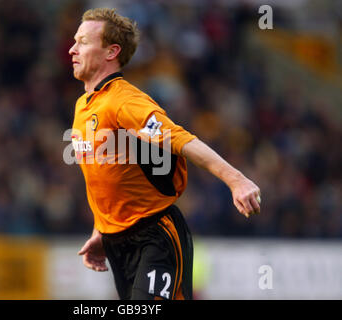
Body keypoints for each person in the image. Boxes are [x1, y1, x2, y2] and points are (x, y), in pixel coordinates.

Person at [68, 8, 261, 300]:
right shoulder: (83, 106)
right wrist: (101, 227)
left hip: (156, 236)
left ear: (111, 52)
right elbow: (104, 175)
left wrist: (236, 180)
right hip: (117, 243)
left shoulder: (125, 101)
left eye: (83, 41)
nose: (72, 49)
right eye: (74, 41)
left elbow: (180, 138)